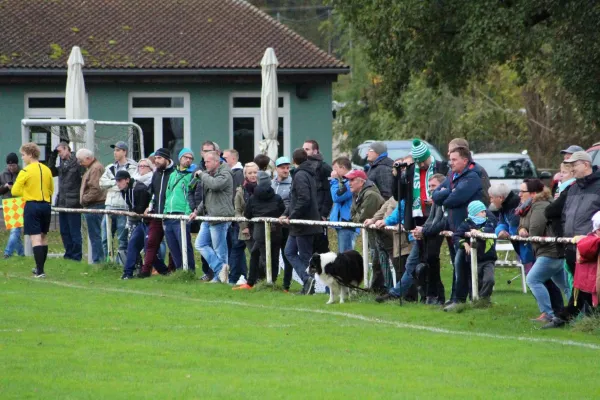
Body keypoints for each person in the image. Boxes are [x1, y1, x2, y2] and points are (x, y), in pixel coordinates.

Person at [545, 151, 600, 328]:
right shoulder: (573, 188)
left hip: (590, 246)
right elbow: (563, 215)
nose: (571, 169)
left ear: (585, 164)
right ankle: (579, 319)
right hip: (571, 245)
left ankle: (566, 318)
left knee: (589, 287)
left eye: (574, 165)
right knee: (579, 286)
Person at [433, 146, 483, 305]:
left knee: (462, 263)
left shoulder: (472, 177)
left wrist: (446, 195)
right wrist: (449, 193)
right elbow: (435, 195)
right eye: (450, 159)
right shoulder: (451, 175)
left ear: (465, 160)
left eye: (454, 160)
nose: (451, 163)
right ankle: (456, 297)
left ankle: (460, 299)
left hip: (467, 228)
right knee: (457, 263)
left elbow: (455, 199)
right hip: (453, 227)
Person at [517, 180, 568, 323]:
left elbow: (535, 231)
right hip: (554, 251)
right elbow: (522, 225)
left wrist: (526, 232)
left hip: (549, 251)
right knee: (565, 286)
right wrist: (521, 229)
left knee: (533, 279)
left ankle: (547, 313)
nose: (519, 194)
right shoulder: (529, 206)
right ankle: (577, 313)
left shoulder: (539, 206)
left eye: (523, 192)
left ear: (533, 193)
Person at [280, 148, 322, 295]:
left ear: (294, 161)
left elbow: (304, 199)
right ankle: (307, 280)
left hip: (303, 223)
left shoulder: (300, 175)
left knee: (304, 256)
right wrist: (286, 214)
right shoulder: (307, 173)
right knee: (289, 252)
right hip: (299, 222)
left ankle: (308, 283)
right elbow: (295, 200)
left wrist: (292, 217)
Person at [236, 173, 286, 289]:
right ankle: (271, 281)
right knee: (274, 257)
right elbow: (282, 211)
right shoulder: (277, 197)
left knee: (255, 255)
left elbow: (247, 215)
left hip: (259, 233)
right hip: (276, 232)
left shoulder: (253, 198)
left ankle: (251, 282)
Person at [11, 143, 54, 278]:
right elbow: (51, 189)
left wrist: (27, 192)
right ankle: (39, 268)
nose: (22, 158)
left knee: (35, 238)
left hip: (32, 205)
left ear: (30, 154)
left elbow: (14, 191)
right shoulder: (47, 170)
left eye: (23, 155)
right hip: (46, 205)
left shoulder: (25, 171)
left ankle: (40, 271)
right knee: (43, 237)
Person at [445, 201, 497, 310]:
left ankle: (483, 299)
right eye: (482, 212)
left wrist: (479, 232)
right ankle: (477, 302)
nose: (485, 213)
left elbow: (490, 229)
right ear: (475, 213)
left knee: (489, 280)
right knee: (475, 282)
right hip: (473, 260)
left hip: (488, 259)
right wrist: (464, 244)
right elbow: (456, 236)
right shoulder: (466, 224)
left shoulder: (488, 222)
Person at [115, 171, 167, 279]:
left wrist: (134, 212)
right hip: (143, 221)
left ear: (127, 180)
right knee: (132, 244)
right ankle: (127, 273)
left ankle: (163, 271)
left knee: (149, 248)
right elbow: (134, 207)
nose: (117, 184)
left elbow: (140, 208)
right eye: (116, 181)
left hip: (152, 221)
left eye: (119, 181)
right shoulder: (125, 190)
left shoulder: (140, 189)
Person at [194, 150, 234, 283]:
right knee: (200, 244)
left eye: (207, 161)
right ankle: (220, 268)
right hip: (208, 216)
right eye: (204, 161)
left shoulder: (225, 173)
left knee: (220, 250)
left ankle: (221, 278)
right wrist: (196, 212)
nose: (205, 164)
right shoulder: (208, 175)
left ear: (217, 162)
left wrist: (202, 175)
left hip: (220, 217)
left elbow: (215, 185)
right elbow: (206, 198)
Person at [347, 169, 385, 291]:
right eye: (349, 180)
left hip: (381, 234)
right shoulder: (357, 195)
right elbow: (353, 216)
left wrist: (357, 216)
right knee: (375, 260)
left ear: (361, 182)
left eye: (352, 180)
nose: (349, 183)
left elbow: (362, 218)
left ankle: (380, 289)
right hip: (373, 233)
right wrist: (358, 216)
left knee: (378, 261)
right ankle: (376, 288)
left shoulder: (370, 195)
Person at [99, 141, 138, 263]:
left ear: (124, 152)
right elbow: (101, 183)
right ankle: (108, 263)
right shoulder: (110, 167)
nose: (115, 152)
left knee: (123, 238)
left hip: (123, 206)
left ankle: (122, 263)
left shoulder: (133, 167)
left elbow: (130, 183)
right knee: (105, 237)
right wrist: (116, 182)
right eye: (114, 150)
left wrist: (114, 183)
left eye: (118, 150)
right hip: (109, 206)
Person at [47, 142, 85, 261]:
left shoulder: (77, 162)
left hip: (73, 201)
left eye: (60, 151)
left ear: (67, 149)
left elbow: (83, 179)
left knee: (74, 231)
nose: (59, 154)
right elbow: (51, 171)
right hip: (62, 201)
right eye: (57, 152)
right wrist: (53, 156)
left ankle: (76, 255)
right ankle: (68, 253)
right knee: (64, 231)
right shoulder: (62, 163)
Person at [142, 148, 175, 276]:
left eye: (159, 158)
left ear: (167, 159)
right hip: (156, 214)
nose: (156, 161)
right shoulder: (156, 174)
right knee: (150, 243)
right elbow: (154, 194)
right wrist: (149, 207)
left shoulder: (174, 173)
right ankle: (146, 271)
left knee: (172, 245)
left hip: (170, 215)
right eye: (155, 158)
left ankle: (172, 270)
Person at [163, 148, 196, 271]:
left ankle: (190, 271)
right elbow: (168, 194)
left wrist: (187, 213)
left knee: (185, 245)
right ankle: (179, 270)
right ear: (180, 158)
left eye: (190, 158)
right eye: (185, 157)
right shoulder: (172, 174)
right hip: (169, 215)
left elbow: (190, 194)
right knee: (172, 246)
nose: (188, 160)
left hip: (182, 215)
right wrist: (165, 212)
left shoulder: (192, 175)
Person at [77, 149, 106, 264]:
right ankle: (98, 259)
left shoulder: (95, 168)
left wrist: (84, 199)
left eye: (81, 160)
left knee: (96, 235)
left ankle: (98, 260)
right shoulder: (92, 168)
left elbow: (95, 189)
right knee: (95, 235)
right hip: (94, 205)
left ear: (88, 158)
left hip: (96, 205)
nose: (80, 163)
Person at [303, 140, 333, 253]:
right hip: (306, 212)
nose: (304, 152)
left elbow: (329, 193)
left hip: (319, 213)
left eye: (307, 149)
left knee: (321, 245)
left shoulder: (324, 168)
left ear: (315, 151)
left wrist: (324, 213)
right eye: (303, 149)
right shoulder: (303, 167)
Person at [232, 162, 258, 283]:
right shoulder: (240, 191)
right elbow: (237, 211)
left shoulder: (264, 188)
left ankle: (262, 279)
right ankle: (252, 279)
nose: (253, 175)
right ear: (245, 175)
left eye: (255, 172)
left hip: (260, 227)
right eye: (250, 173)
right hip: (246, 228)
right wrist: (244, 227)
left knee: (262, 255)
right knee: (253, 254)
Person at [272, 156, 294, 291]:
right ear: (276, 169)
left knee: (287, 254)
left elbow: (291, 203)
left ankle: (286, 285)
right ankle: (272, 281)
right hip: (273, 224)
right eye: (282, 168)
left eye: (287, 168)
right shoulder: (271, 183)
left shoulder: (293, 184)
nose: (286, 170)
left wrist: (284, 215)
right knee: (273, 254)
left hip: (286, 224)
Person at [447, 138, 490, 206]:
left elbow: (486, 196)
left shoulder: (478, 170)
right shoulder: (451, 170)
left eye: (451, 150)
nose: (448, 153)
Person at [330, 156, 358, 252]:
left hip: (347, 223)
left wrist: (334, 181)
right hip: (342, 222)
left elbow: (336, 197)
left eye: (335, 169)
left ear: (342, 168)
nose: (333, 172)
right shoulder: (344, 181)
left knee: (345, 255)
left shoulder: (351, 181)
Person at [1, 153, 24, 258]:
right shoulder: (3, 174)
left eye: (13, 166)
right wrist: (5, 187)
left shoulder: (22, 173)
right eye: (9, 166)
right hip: (8, 203)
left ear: (17, 164)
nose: (11, 168)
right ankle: (21, 254)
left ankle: (7, 252)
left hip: (19, 203)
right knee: (15, 232)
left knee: (15, 230)